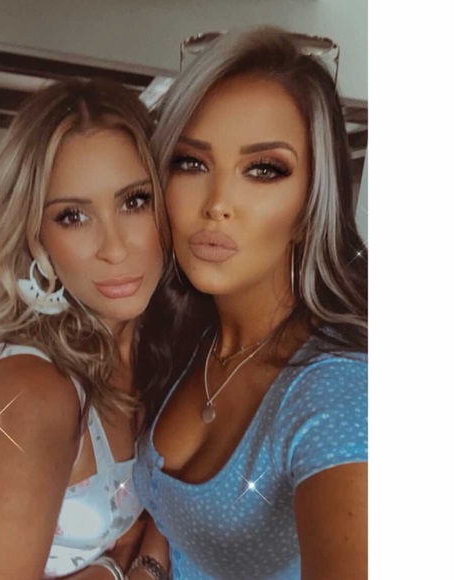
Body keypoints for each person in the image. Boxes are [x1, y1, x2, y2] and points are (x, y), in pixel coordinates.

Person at [132, 27, 368, 580]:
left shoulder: (338, 392)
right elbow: (171, 514)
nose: (218, 204)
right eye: (192, 163)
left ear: (312, 203)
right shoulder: (187, 332)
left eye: (264, 169)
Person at [0, 78, 171, 580]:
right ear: (37, 239)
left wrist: (139, 561)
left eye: (134, 201)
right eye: (73, 216)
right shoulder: (32, 393)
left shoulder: (163, 354)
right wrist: (119, 571)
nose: (114, 248)